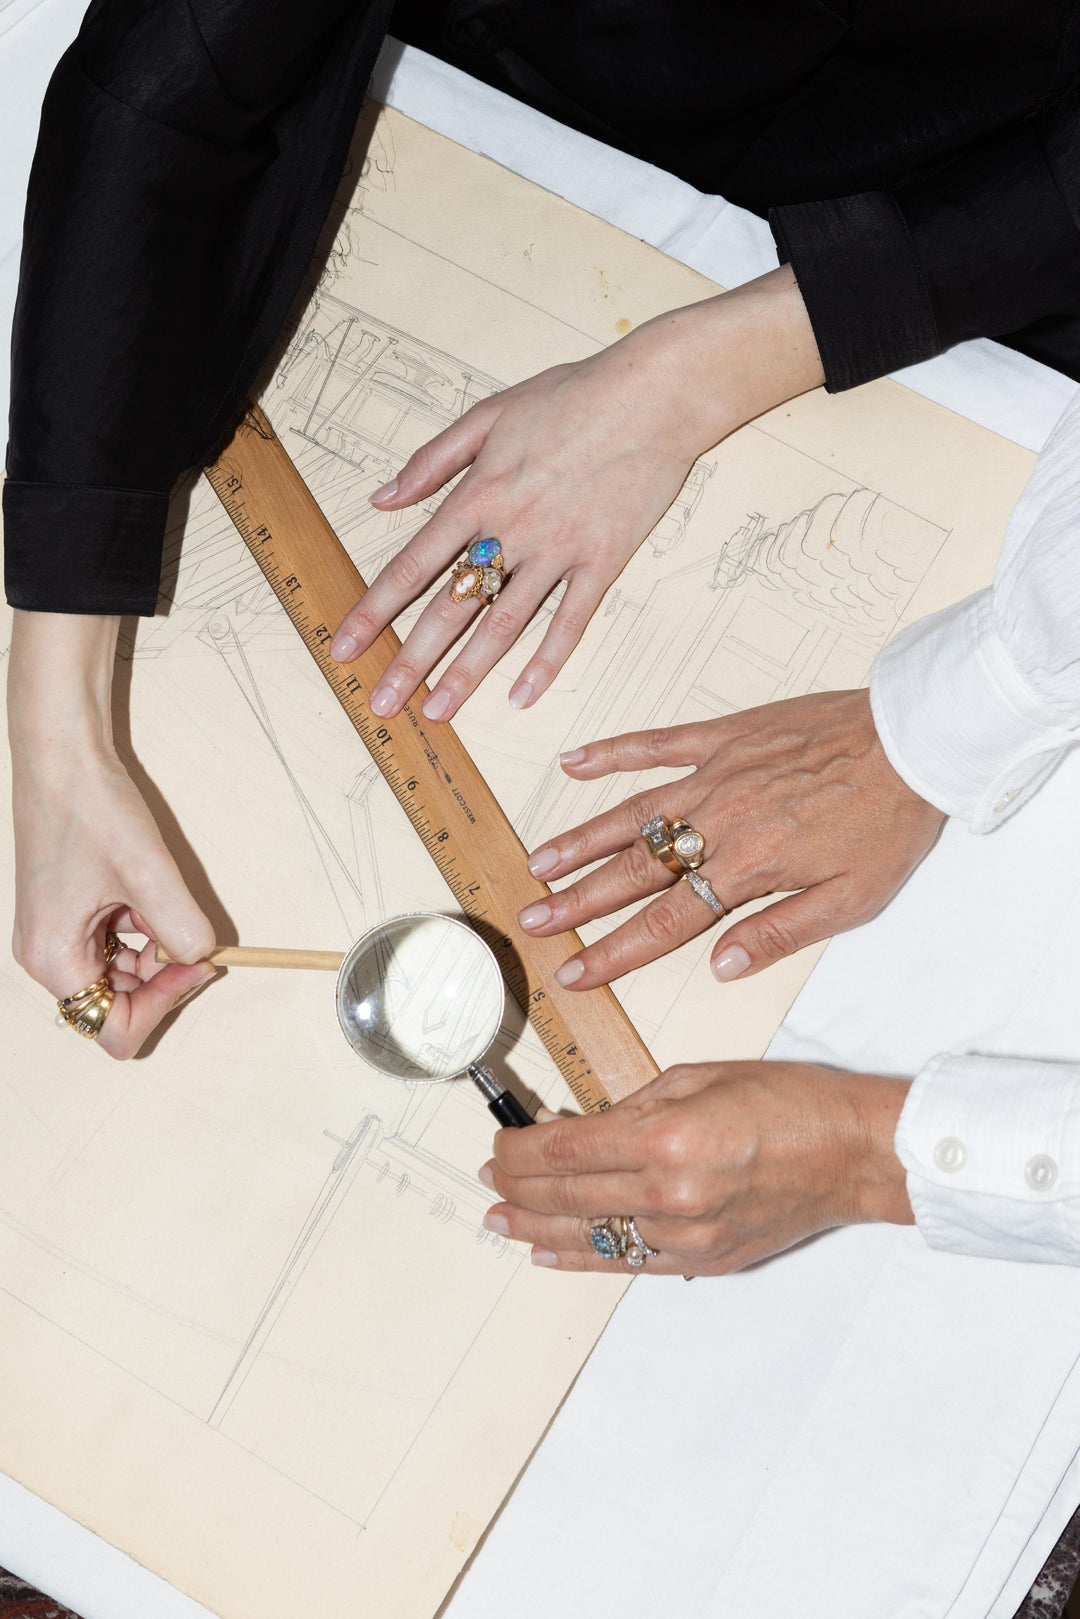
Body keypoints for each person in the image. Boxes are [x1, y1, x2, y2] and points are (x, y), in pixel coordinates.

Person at [5, 0, 1080, 1284]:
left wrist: (723, 365)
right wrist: (57, 725)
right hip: (531, 127)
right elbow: (170, 72)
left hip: (1000, 223)